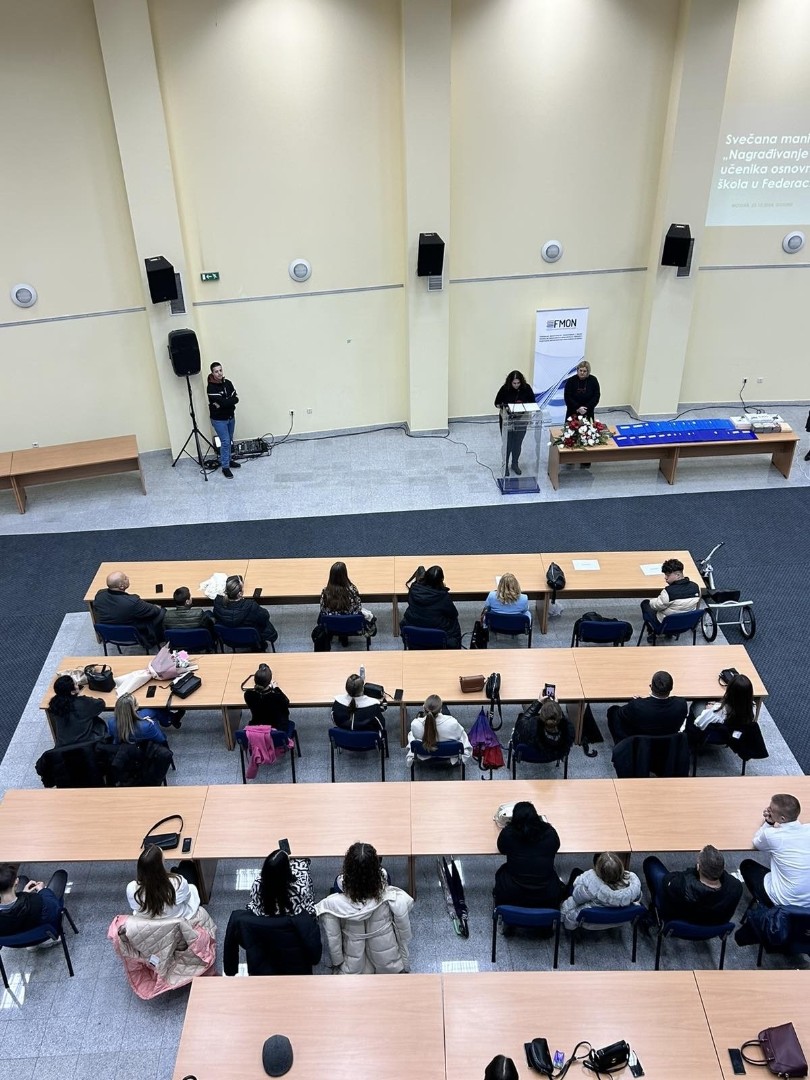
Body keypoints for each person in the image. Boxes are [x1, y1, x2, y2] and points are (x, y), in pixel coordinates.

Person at [315, 842, 413, 974]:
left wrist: (337, 961)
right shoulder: (390, 895)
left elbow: (334, 939)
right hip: (386, 953)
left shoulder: (332, 903)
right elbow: (403, 931)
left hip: (354, 956)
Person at [740, 794, 810, 909]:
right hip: (808, 902)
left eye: (771, 810)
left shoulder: (773, 836)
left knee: (747, 865)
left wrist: (769, 823)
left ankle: (764, 903)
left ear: (782, 819)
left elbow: (757, 843)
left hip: (784, 901)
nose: (768, 810)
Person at [643, 845, 742, 926]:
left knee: (651, 862)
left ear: (698, 867)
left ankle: (655, 913)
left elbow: (667, 880)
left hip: (681, 918)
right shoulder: (736, 887)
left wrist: (690, 873)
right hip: (711, 924)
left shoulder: (684, 886)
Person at [494, 801, 564, 909]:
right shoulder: (549, 833)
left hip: (513, 891)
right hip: (546, 893)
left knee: (502, 871)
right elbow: (556, 847)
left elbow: (502, 849)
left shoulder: (509, 833)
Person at [561, 852, 642, 930]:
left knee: (576, 872)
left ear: (598, 870)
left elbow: (576, 899)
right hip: (620, 920)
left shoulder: (589, 888)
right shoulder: (633, 887)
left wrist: (563, 914)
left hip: (591, 922)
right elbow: (638, 898)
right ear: (621, 867)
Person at [606, 670, 687, 744]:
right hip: (669, 742)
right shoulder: (681, 704)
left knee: (613, 711)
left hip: (641, 744)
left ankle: (621, 745)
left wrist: (640, 701)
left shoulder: (637, 706)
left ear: (651, 686)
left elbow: (620, 713)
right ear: (671, 688)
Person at [126, 845, 201, 921]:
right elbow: (187, 898)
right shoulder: (177, 882)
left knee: (177, 870)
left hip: (148, 923)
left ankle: (175, 870)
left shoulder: (132, 888)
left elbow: (135, 907)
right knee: (187, 865)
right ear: (160, 865)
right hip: (179, 920)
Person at [92, 570, 165, 646]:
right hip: (134, 633)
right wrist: (158, 607)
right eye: (125, 578)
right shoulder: (133, 602)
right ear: (121, 586)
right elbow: (154, 611)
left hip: (109, 633)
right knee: (162, 612)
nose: (128, 578)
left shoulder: (100, 595)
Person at [685, 674, 756, 749]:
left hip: (713, 734)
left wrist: (709, 710)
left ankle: (688, 737)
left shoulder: (718, 711)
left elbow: (699, 724)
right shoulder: (752, 709)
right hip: (732, 734)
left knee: (697, 703)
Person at [400, 564, 462, 648]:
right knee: (454, 623)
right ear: (441, 581)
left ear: (424, 577)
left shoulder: (414, 589)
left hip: (413, 629)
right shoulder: (443, 596)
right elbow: (453, 614)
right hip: (436, 631)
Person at [640, 558, 701, 641]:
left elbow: (656, 606)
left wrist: (653, 600)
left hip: (666, 625)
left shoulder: (668, 592)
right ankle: (669, 634)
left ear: (678, 575)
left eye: (668, 575)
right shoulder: (696, 587)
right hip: (686, 624)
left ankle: (652, 631)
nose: (665, 578)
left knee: (645, 603)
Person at [0, 863, 69, 936]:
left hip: (16, 938)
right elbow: (55, 909)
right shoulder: (36, 901)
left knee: (23, 878)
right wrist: (42, 890)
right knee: (60, 874)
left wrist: (24, 894)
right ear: (16, 881)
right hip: (43, 934)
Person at [213, 574, 278, 648]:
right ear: (240, 593)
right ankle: (259, 646)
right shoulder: (251, 606)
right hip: (252, 640)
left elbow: (216, 617)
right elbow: (265, 616)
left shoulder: (218, 603)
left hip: (229, 640)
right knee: (265, 625)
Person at [406, 694, 472, 766]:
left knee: (411, 733)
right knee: (462, 733)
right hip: (449, 755)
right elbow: (460, 736)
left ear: (423, 708)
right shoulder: (453, 723)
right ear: (441, 710)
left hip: (423, 754)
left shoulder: (415, 724)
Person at [248, 849, 315, 917]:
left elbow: (255, 901)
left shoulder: (257, 885)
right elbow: (306, 897)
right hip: (293, 915)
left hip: (266, 915)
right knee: (303, 862)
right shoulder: (299, 887)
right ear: (287, 870)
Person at [319, 561, 377, 639]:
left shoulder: (325, 592)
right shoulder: (352, 590)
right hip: (352, 626)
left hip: (332, 627)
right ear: (345, 575)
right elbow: (358, 608)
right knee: (368, 616)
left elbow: (323, 610)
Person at [494, 370, 536, 476]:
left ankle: (515, 464)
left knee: (517, 443)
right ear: (510, 382)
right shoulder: (505, 389)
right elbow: (497, 403)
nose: (516, 385)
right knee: (508, 443)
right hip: (507, 419)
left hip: (522, 419)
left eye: (518, 383)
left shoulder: (526, 388)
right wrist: (505, 407)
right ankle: (505, 465)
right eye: (514, 383)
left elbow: (533, 402)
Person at [48, 674, 107, 747]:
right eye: (76, 684)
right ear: (72, 692)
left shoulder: (54, 704)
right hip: (86, 745)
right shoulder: (83, 703)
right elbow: (101, 704)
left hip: (63, 747)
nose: (78, 685)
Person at [512, 696, 574, 760]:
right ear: (559, 717)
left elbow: (522, 722)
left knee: (526, 705)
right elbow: (563, 720)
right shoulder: (569, 731)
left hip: (529, 754)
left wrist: (539, 702)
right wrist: (555, 706)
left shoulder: (531, 727)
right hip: (554, 756)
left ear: (540, 716)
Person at [207, 362, 240, 478]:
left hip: (230, 417)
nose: (219, 373)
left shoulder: (228, 383)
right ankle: (225, 467)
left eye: (220, 370)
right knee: (225, 442)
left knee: (229, 440)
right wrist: (227, 401)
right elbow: (224, 402)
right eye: (216, 371)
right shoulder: (211, 387)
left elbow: (236, 399)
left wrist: (225, 402)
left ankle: (229, 460)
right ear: (212, 373)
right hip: (219, 420)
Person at [243, 663, 292, 731]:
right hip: (276, 728)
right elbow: (286, 702)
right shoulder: (276, 696)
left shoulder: (248, 694)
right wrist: (276, 688)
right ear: (269, 682)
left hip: (257, 726)